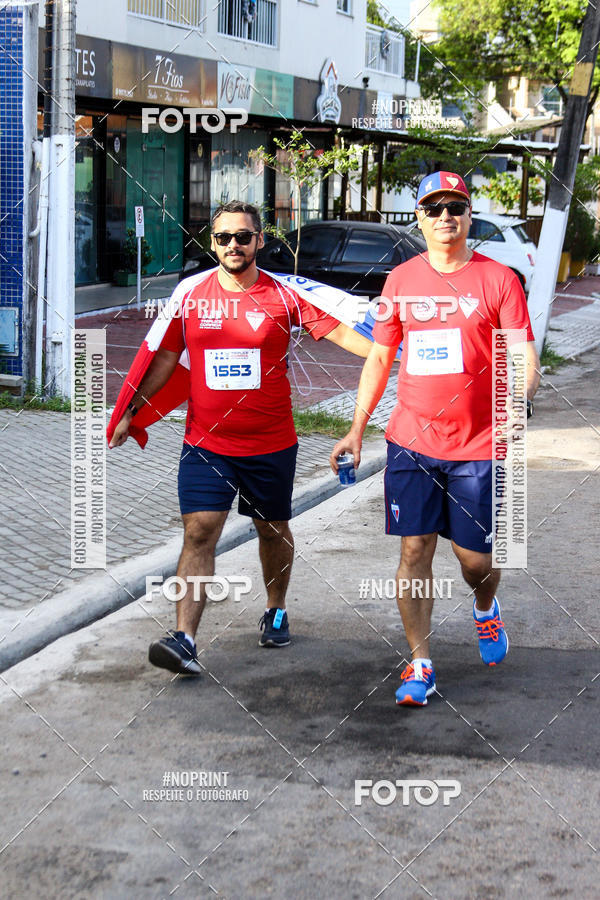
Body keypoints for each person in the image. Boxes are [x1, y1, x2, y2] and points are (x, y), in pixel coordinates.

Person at [110, 200, 371, 675]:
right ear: (212, 243)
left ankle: (275, 608)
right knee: (199, 530)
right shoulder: (191, 295)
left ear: (259, 241)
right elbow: (165, 359)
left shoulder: (285, 296)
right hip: (206, 443)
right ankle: (185, 639)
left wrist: (400, 354)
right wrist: (131, 412)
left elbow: (354, 340)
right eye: (224, 237)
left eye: (243, 237)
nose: (234, 245)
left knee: (271, 528)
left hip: (271, 443)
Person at [331, 171, 540, 707]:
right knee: (415, 548)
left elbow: (522, 356)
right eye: (434, 208)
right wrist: (356, 429)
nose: (445, 216)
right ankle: (419, 661)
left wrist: (518, 403)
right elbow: (380, 356)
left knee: (475, 562)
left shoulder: (499, 280)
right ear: (419, 218)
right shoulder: (400, 280)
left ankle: (485, 609)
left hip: (477, 444)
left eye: (456, 207)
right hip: (411, 441)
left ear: (469, 217)